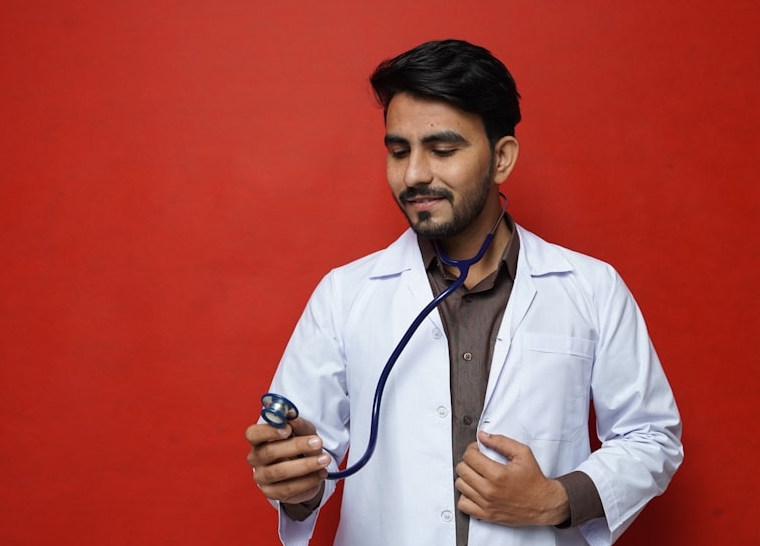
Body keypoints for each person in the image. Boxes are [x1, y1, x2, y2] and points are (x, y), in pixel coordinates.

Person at [246, 39, 683, 546]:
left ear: (501, 158)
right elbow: (301, 462)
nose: (414, 175)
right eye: (398, 151)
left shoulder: (592, 289)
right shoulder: (344, 296)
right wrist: (290, 477)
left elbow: (652, 436)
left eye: (443, 150)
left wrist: (558, 499)